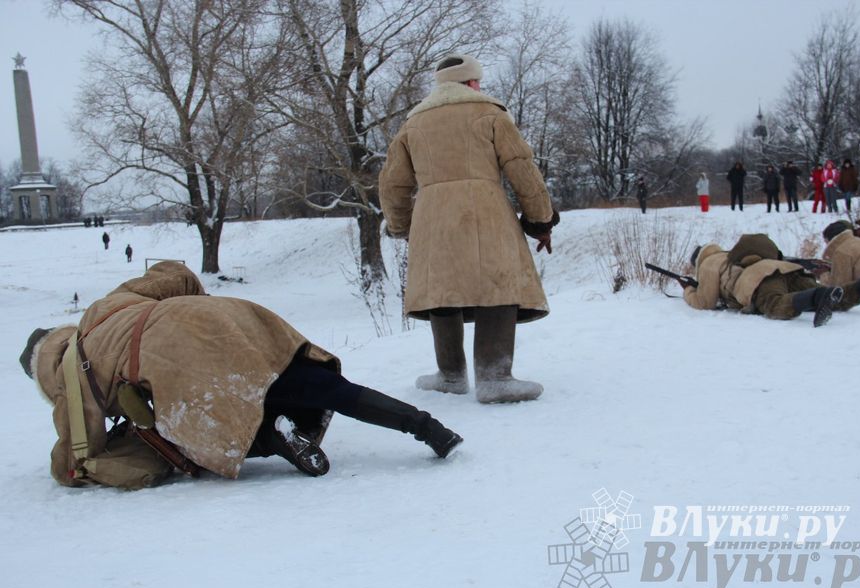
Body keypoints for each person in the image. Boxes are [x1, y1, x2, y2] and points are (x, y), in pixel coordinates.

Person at [19, 262, 463, 490]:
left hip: (179, 359)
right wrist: (200, 311)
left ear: (43, 372)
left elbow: (77, 454)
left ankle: (271, 435)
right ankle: (427, 428)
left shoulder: (71, 380)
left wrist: (66, 466)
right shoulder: (105, 308)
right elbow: (175, 273)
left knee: (196, 433)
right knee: (311, 384)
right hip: (223, 318)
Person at [379, 53, 558, 405]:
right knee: (496, 282)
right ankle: (495, 377)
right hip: (486, 210)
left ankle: (450, 375)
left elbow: (392, 184)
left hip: (431, 217)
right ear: (472, 82)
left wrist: (402, 226)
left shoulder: (413, 123)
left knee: (441, 288)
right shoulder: (490, 113)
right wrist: (540, 222)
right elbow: (523, 170)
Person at [681, 233, 860, 327]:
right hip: (788, 270)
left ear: (698, 261)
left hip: (760, 280)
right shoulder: (729, 254)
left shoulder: (709, 263)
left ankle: (817, 297)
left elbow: (704, 302)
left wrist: (689, 290)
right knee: (840, 297)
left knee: (777, 305)